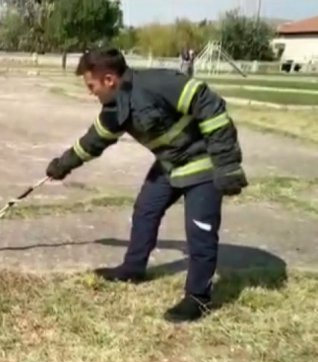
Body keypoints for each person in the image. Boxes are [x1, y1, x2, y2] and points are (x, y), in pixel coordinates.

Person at [45, 47, 248, 323]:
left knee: (199, 232)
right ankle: (133, 268)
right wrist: (61, 165)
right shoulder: (115, 109)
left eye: (91, 85)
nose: (90, 92)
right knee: (145, 209)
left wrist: (226, 164)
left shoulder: (156, 83)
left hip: (203, 161)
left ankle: (198, 298)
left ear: (109, 80)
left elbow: (209, 104)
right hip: (170, 164)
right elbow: (92, 142)